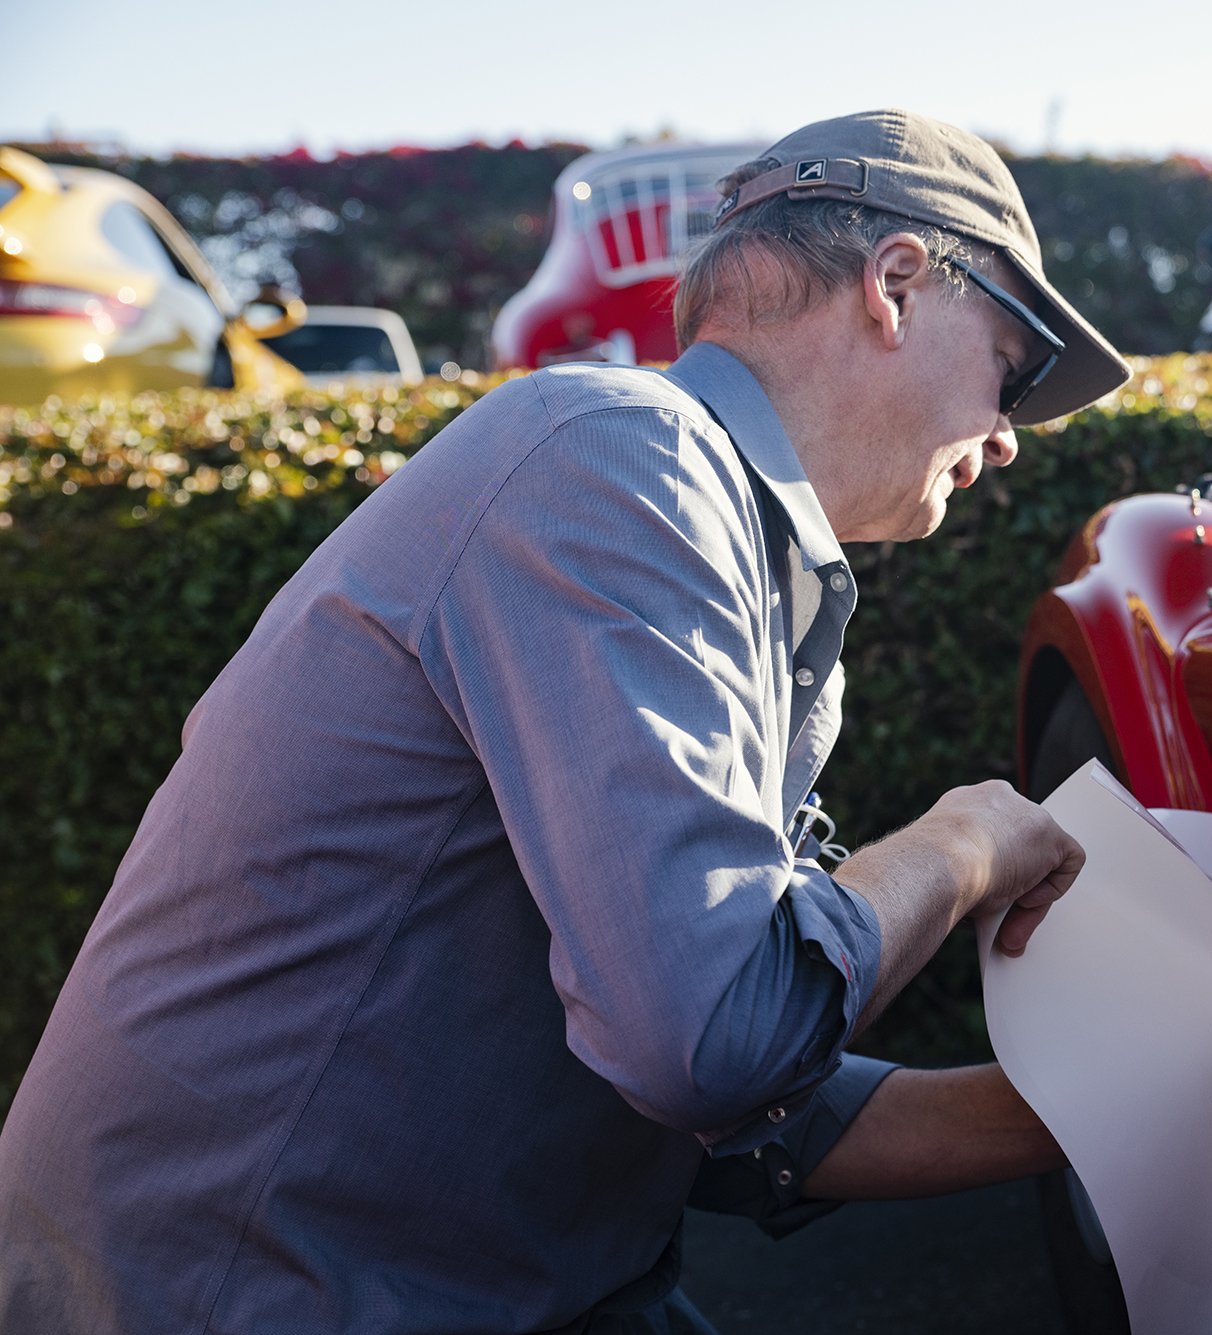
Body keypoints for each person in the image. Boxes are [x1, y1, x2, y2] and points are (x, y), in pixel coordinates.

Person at [0, 109, 1131, 1334]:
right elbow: (715, 1041)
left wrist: (1121, 1105)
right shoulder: (619, 462)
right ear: (896, 285)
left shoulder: (713, 532)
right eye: (1010, 370)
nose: (1010, 436)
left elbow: (749, 1104)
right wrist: (962, 845)